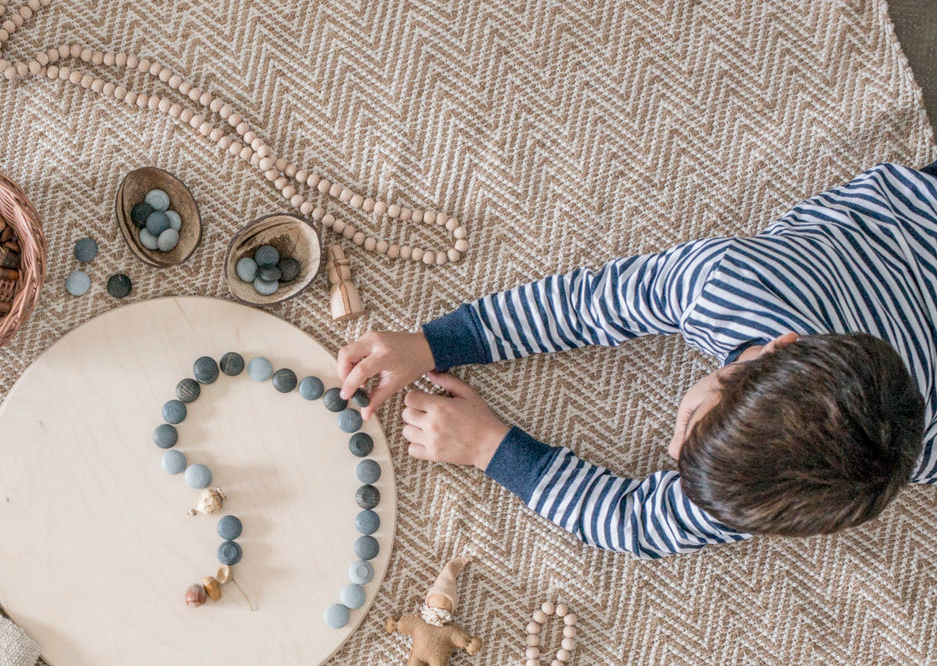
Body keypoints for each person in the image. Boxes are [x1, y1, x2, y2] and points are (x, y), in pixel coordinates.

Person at [337, 162, 937, 558]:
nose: (672, 453)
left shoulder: (765, 489)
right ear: (778, 347)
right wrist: (436, 343)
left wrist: (492, 447)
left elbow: (636, 523)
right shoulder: (726, 284)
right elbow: (589, 303)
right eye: (690, 423)